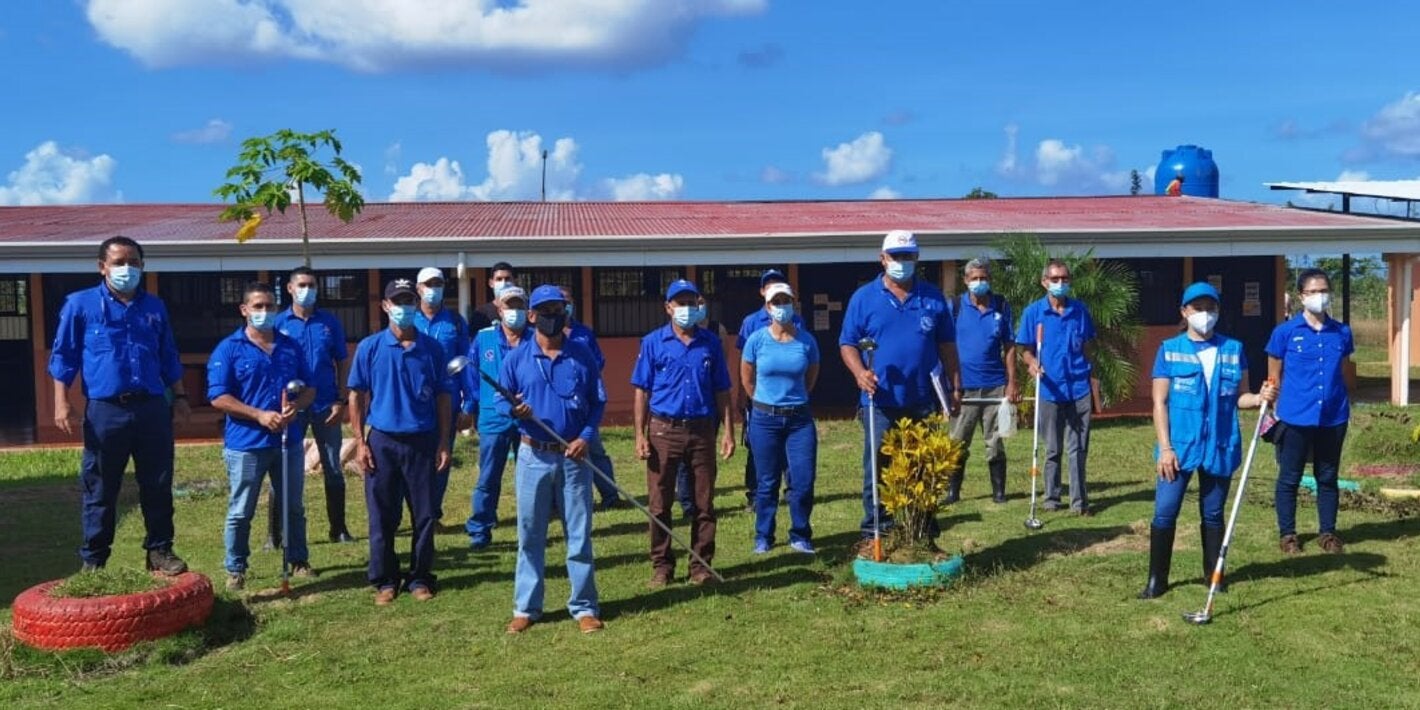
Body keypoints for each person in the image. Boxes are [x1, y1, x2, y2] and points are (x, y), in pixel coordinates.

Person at [49, 235, 191, 575]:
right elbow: (64, 357)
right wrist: (61, 403)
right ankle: (94, 560)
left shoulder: (154, 307)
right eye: (118, 262)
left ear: (142, 266)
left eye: (133, 262)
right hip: (105, 411)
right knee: (100, 484)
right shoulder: (80, 305)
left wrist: (181, 397)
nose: (126, 268)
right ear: (102, 267)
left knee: (157, 482)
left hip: (152, 408)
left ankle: (159, 550)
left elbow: (167, 354)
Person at [1141, 282, 1277, 599]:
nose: (1205, 314)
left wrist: (1259, 397)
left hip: (1220, 444)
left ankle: (1212, 575)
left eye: (1211, 308)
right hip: (1179, 446)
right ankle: (1156, 580)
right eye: (1198, 308)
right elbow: (1159, 403)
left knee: (1213, 514)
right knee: (1165, 511)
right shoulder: (1169, 350)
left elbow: (1240, 396)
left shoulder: (1233, 350)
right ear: (1184, 312)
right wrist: (1165, 448)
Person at [838, 230, 960, 547]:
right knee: (878, 466)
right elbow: (847, 344)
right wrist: (859, 373)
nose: (902, 263)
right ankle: (875, 531)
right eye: (896, 256)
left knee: (925, 466)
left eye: (908, 256)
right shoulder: (863, 298)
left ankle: (922, 530)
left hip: (924, 398)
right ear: (883, 258)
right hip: (879, 401)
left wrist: (955, 387)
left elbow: (947, 345)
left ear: (917, 258)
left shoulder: (933, 298)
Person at [500, 285, 606, 634]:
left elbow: (597, 403)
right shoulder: (516, 358)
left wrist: (585, 438)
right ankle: (526, 607)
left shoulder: (582, 355)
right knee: (530, 534)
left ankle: (584, 606)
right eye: (544, 311)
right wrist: (517, 411)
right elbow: (504, 404)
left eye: (557, 309)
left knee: (578, 534)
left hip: (573, 456)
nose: (551, 317)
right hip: (533, 455)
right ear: (531, 316)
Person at [347, 278, 454, 605]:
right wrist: (359, 443)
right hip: (382, 441)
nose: (404, 308)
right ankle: (385, 580)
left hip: (422, 441)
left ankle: (420, 577)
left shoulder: (432, 349)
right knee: (382, 516)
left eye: (409, 301)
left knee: (424, 515)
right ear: (385, 306)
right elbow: (356, 394)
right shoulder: (370, 347)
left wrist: (444, 442)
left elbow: (443, 398)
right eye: (398, 301)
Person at [208, 281, 318, 590]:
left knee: (293, 505)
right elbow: (218, 396)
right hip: (246, 444)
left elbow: (309, 388)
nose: (265, 312)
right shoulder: (229, 349)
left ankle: (298, 560)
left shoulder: (290, 346)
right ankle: (236, 567)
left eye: (270, 306)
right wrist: (258, 415)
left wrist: (296, 407)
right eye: (258, 306)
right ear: (244, 310)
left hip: (287, 441)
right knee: (242, 509)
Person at [631, 279, 735, 587]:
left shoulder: (710, 342)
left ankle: (701, 566)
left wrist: (728, 431)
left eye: (692, 303)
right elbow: (642, 390)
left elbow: (722, 389)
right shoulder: (652, 343)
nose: (687, 309)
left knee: (703, 502)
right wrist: (639, 433)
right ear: (668, 308)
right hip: (664, 430)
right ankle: (662, 566)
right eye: (681, 303)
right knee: (660, 502)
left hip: (702, 429)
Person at [1266, 268, 1354, 555]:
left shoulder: (1341, 332)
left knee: (1327, 477)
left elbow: (1341, 370)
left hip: (1333, 416)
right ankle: (1288, 534)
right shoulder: (1285, 332)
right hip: (1295, 416)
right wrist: (1271, 404)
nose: (1320, 296)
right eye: (1313, 291)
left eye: (1324, 290)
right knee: (1289, 477)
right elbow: (1274, 375)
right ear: (1302, 296)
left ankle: (1327, 533)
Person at [271, 265, 355, 545]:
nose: (308, 291)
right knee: (283, 466)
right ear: (290, 289)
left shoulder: (329, 323)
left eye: (312, 286)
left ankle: (339, 529)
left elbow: (342, 361)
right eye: (302, 285)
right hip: (291, 406)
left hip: (325, 404)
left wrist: (341, 399)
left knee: (332, 466)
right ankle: (276, 534)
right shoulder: (277, 323)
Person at [741, 282, 820, 554]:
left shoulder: (806, 341)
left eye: (786, 301)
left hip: (799, 419)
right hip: (765, 418)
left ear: (793, 304)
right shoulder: (756, 340)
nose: (782, 306)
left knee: (802, 480)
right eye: (777, 302)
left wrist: (794, 399)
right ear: (768, 307)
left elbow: (811, 376)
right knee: (767, 481)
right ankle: (764, 535)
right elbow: (747, 378)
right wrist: (763, 401)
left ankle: (800, 534)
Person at [1016, 259, 1097, 516]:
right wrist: (1032, 364)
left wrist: (1089, 374)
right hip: (1050, 389)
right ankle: (1051, 498)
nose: (1060, 284)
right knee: (1052, 448)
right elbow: (1024, 351)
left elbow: (1087, 346)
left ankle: (1078, 502)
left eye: (1064, 279)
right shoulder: (1033, 313)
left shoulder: (1080, 311)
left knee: (1078, 448)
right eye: (1055, 279)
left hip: (1078, 389)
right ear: (1044, 282)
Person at [464, 286, 532, 549]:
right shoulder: (483, 338)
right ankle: (480, 530)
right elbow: (471, 374)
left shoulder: (535, 339)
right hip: (493, 418)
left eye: (518, 306)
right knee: (489, 476)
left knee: (528, 477)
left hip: (528, 417)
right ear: (499, 309)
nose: (513, 311)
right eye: (508, 306)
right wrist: (472, 403)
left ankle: (529, 529)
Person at [948, 258, 1019, 504]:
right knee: (957, 441)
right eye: (974, 278)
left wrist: (1012, 382)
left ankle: (999, 492)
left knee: (995, 441)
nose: (979, 282)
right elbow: (944, 345)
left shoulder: (1001, 305)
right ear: (966, 280)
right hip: (964, 387)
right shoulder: (955, 306)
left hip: (995, 385)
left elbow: (1009, 345)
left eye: (984, 278)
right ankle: (952, 492)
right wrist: (951, 385)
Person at [733, 269, 801, 511]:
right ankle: (755, 493)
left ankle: (792, 491)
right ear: (763, 292)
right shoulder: (751, 322)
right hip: (760, 396)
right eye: (769, 285)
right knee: (756, 445)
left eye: (779, 284)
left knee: (790, 447)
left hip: (789, 398)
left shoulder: (796, 320)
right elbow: (743, 361)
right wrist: (744, 395)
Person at [412, 266, 473, 525]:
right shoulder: (408, 321)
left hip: (448, 403)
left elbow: (467, 362)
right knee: (417, 460)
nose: (433, 289)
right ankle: (419, 511)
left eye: (437, 284)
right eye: (428, 284)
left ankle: (433, 512)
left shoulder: (456, 323)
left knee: (441, 457)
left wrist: (469, 403)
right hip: (415, 404)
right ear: (418, 289)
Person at [559, 284, 626, 509]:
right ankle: (555, 501)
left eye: (568, 302)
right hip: (557, 406)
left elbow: (598, 362)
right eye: (561, 302)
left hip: (584, 403)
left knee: (595, 451)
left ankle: (610, 495)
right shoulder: (541, 334)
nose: (565, 306)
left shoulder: (584, 333)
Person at [474, 262, 517, 332]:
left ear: (514, 281)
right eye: (499, 279)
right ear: (491, 283)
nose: (503, 283)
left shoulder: (522, 310)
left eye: (507, 279)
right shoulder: (481, 313)